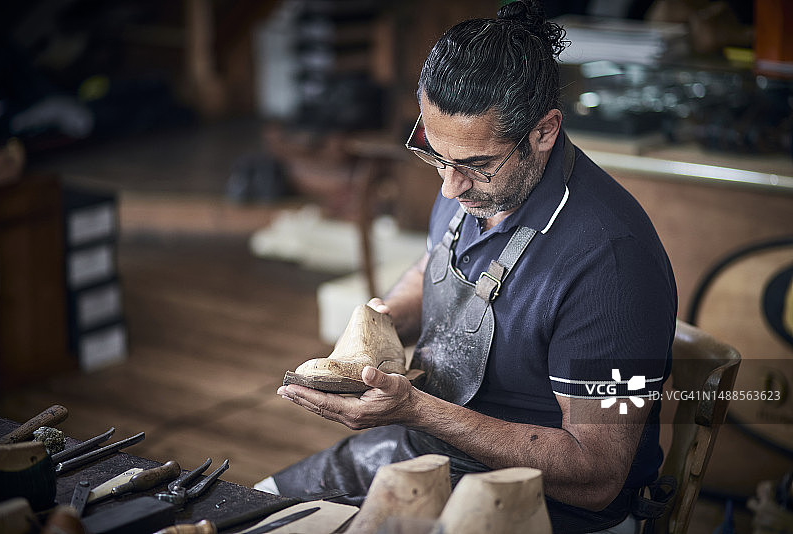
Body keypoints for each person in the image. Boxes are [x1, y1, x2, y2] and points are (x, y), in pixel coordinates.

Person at [265, 1, 677, 532]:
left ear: (544, 131)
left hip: (547, 504)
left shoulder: (611, 264)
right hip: (426, 449)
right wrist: (377, 328)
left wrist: (416, 409)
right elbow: (436, 265)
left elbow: (595, 477)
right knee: (256, 508)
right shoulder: (472, 180)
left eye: (475, 166)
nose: (448, 187)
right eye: (434, 154)